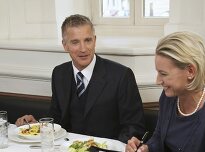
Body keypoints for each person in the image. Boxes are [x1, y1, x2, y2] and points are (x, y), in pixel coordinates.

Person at [15, 14, 145, 143]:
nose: (83, 49)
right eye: (75, 42)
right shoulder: (59, 73)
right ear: (65, 45)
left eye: (88, 40)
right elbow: (56, 119)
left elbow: (134, 127)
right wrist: (37, 126)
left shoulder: (121, 76)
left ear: (95, 40)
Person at [125, 31, 205, 152]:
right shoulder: (168, 98)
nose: (157, 81)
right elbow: (158, 137)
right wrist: (145, 149)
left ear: (190, 71)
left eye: (163, 73)